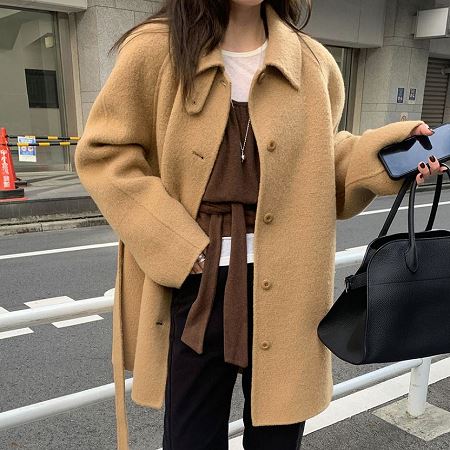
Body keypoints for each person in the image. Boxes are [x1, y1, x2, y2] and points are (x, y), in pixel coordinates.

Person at [74, 1, 446, 449]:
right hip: (195, 286)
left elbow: (323, 165)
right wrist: (176, 244)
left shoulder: (312, 62)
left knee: (277, 441)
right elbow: (105, 154)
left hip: (290, 290)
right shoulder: (157, 48)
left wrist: (386, 155)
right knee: (190, 439)